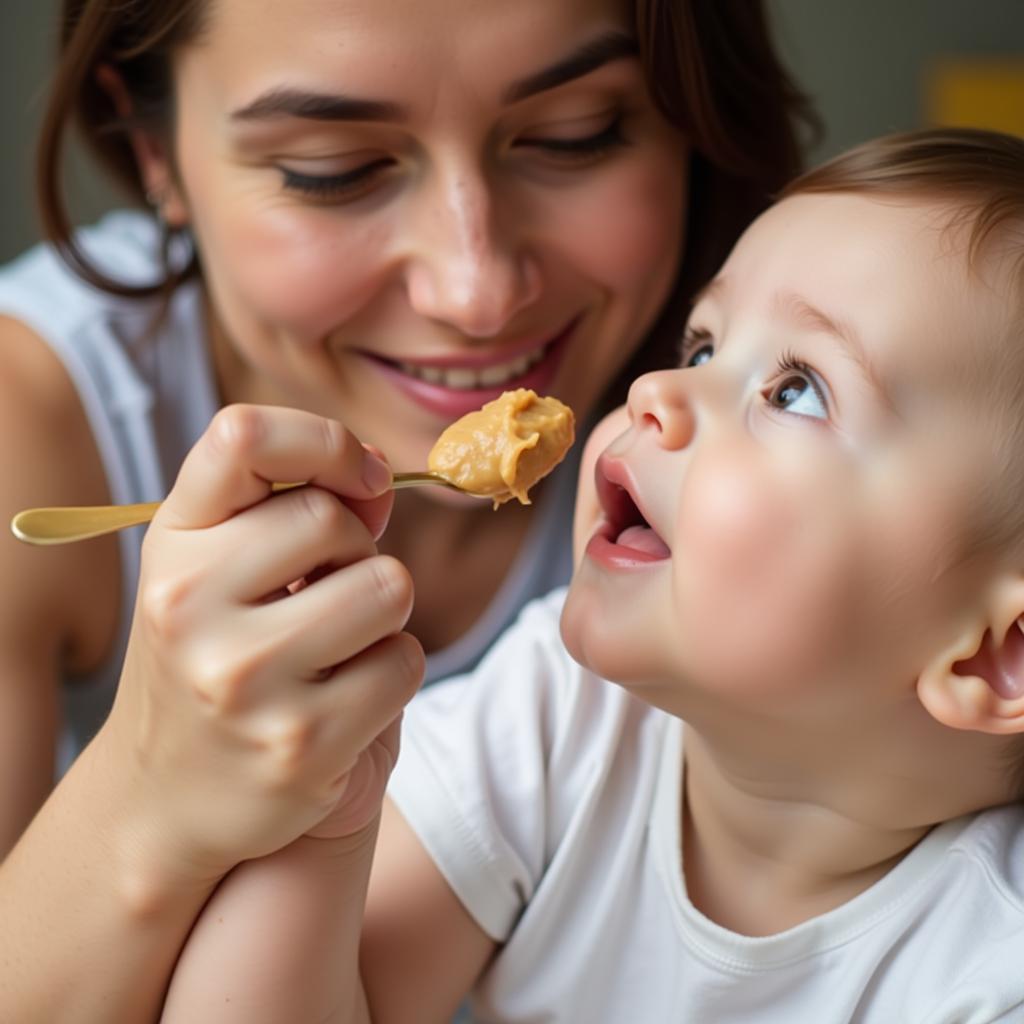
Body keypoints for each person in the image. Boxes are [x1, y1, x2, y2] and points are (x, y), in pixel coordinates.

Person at [0, 0, 814, 1019]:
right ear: (155, 149)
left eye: (575, 137)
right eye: (333, 168)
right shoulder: (26, 420)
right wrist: (150, 797)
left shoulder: (786, 454)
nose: (474, 293)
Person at [157, 127, 1024, 1023]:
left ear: (994, 656)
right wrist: (324, 816)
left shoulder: (988, 974)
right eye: (701, 348)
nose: (657, 392)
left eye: (794, 388)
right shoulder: (560, 717)